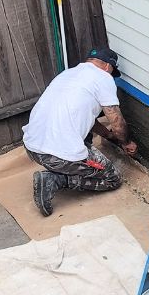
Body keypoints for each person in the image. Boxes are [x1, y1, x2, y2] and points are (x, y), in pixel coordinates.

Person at [23, 47, 136, 216]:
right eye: (112, 71)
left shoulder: (67, 74)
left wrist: (108, 135)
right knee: (112, 179)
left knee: (80, 138)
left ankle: (64, 169)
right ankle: (55, 180)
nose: (111, 75)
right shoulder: (103, 77)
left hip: (32, 148)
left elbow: (85, 117)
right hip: (56, 156)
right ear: (107, 66)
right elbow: (116, 119)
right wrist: (126, 142)